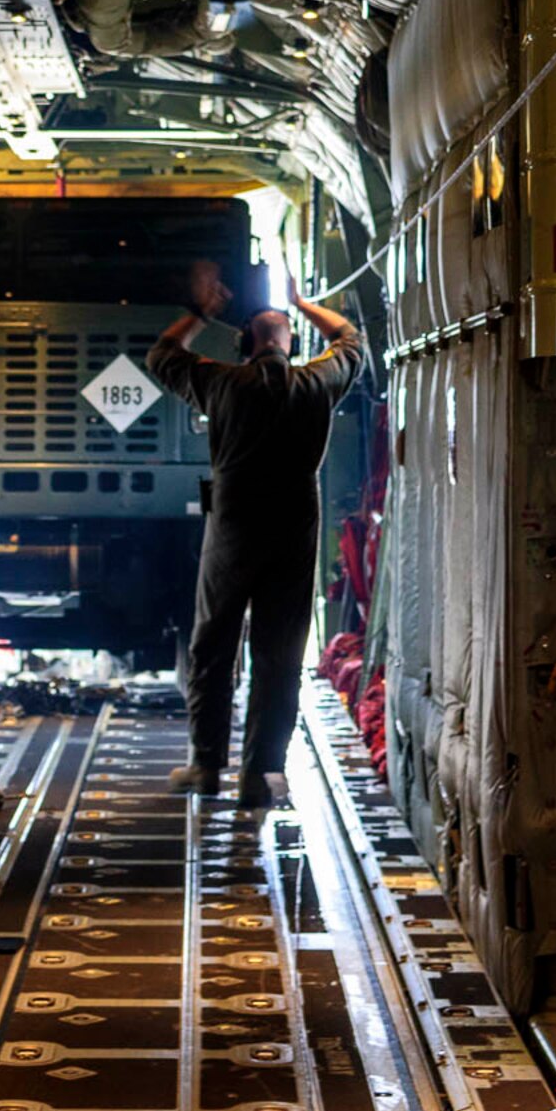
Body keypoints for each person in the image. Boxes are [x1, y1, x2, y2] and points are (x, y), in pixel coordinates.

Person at [146, 260, 367, 804]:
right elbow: (350, 340)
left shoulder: (221, 382)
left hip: (234, 526)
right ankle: (261, 773)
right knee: (279, 653)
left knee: (213, 645)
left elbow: (161, 357)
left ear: (244, 345)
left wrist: (200, 313)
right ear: (290, 345)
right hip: (294, 528)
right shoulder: (317, 383)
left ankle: (205, 765)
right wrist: (304, 302)